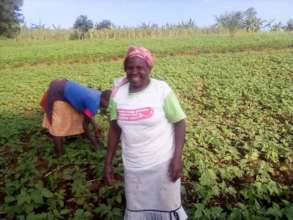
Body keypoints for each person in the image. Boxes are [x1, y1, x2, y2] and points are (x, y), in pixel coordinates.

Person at [104, 46, 188, 219]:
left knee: (166, 206)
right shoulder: (118, 95)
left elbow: (179, 122)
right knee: (138, 208)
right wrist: (108, 163)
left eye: (140, 67)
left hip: (162, 164)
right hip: (133, 166)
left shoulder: (161, 90)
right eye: (130, 67)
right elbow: (114, 129)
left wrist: (177, 157)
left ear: (149, 68)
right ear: (125, 69)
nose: (134, 72)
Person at [40, 79, 111, 156]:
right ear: (104, 100)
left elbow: (87, 113)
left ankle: (76, 137)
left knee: (77, 116)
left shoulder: (98, 95)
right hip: (58, 90)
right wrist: (95, 143)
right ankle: (59, 155)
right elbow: (85, 126)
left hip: (63, 85)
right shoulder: (93, 104)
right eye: (109, 104)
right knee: (58, 126)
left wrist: (95, 126)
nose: (109, 107)